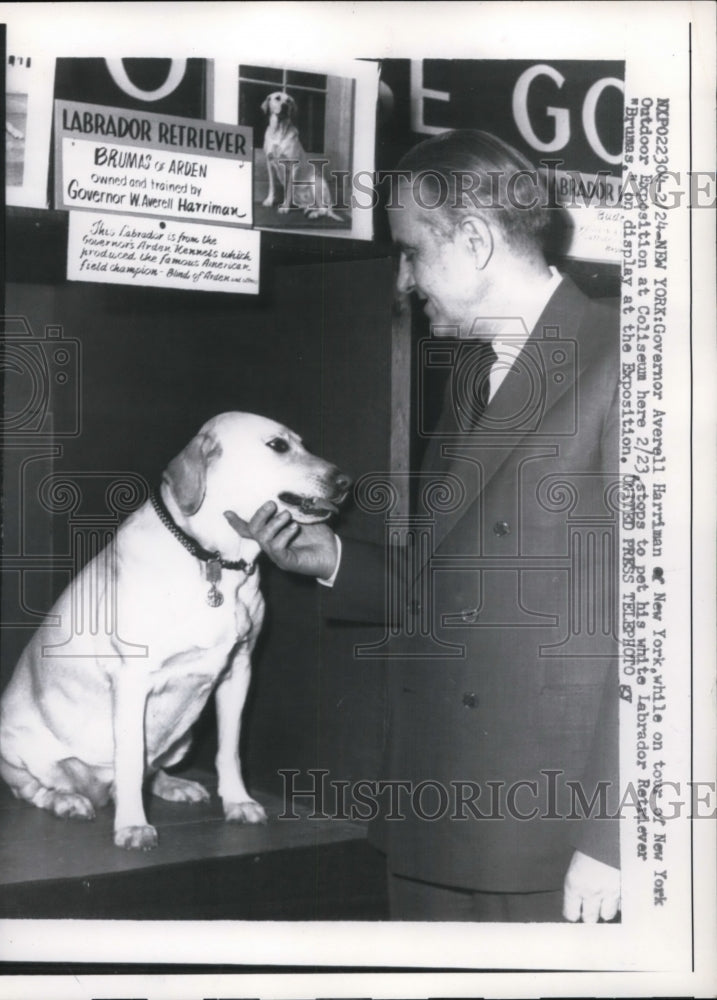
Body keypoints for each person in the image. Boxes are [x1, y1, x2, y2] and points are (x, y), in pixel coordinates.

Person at [230, 130, 621, 923]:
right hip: (432, 813)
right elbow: (461, 585)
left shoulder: (627, 360)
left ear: (473, 240)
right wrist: (334, 557)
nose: (402, 281)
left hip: (543, 842)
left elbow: (673, 634)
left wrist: (614, 838)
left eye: (410, 252)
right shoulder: (475, 377)